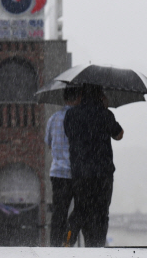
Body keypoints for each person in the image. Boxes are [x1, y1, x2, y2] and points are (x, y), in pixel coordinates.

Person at [63, 84, 124, 247]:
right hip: (103, 173)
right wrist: (103, 110)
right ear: (100, 95)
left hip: (80, 172)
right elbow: (119, 135)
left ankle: (68, 240)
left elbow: (69, 134)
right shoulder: (105, 114)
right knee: (101, 212)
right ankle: (96, 245)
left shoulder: (71, 115)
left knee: (81, 210)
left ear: (82, 94)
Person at [44, 87, 81, 246]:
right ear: (78, 98)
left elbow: (48, 143)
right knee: (81, 209)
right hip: (77, 174)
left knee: (59, 212)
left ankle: (54, 246)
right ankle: (69, 238)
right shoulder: (80, 118)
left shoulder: (54, 118)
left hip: (58, 174)